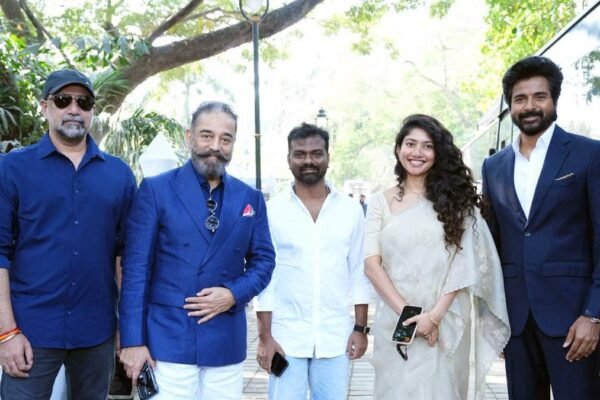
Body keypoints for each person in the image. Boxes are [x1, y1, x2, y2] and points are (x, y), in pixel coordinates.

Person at [118, 100, 276, 399]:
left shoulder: (250, 198)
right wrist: (133, 341)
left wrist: (233, 294)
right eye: (207, 135)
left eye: (225, 139)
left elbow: (264, 261)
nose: (215, 146)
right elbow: (136, 269)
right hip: (168, 340)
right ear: (189, 137)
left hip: (225, 341)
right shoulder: (156, 190)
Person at [0, 68, 136, 399]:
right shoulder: (13, 169)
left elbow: (127, 258)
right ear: (45, 107)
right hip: (30, 330)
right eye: (63, 100)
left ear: (92, 111)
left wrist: (128, 329)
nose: (74, 109)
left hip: (96, 331)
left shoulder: (118, 175)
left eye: (84, 102)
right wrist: (6, 333)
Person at [364, 114, 510, 399]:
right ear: (398, 149)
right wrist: (411, 316)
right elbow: (371, 264)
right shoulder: (380, 201)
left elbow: (464, 264)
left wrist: (433, 317)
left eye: (427, 146)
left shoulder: (457, 201)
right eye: (410, 144)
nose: (417, 152)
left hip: (446, 318)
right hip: (396, 318)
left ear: (438, 152)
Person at [481, 56, 600, 400]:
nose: (530, 106)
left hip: (574, 320)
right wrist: (494, 318)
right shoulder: (493, 166)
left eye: (539, 96)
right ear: (510, 105)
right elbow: (492, 244)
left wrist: (594, 315)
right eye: (520, 99)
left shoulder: (589, 154)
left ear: (554, 100)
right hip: (516, 322)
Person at [254, 123, 372, 399]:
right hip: (285, 337)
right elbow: (266, 277)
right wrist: (264, 337)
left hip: (335, 337)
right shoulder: (272, 211)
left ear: (328, 157)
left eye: (316, 153)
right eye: (300, 154)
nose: (308, 160)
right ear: (289, 159)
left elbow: (359, 272)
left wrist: (360, 328)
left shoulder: (351, 211)